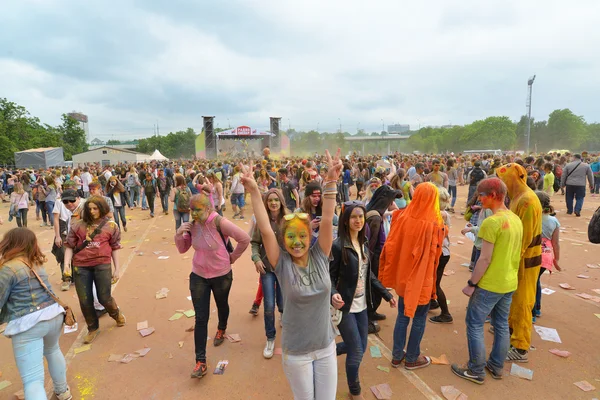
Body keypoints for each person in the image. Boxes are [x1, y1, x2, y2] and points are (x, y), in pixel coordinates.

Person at [242, 149, 342, 400]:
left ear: (310, 237)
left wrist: (330, 181)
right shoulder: (281, 263)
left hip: (326, 347)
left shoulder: (321, 254)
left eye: (302, 236)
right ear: (283, 239)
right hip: (297, 352)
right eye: (290, 236)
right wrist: (255, 190)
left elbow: (328, 218)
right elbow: (265, 229)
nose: (297, 242)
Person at [451, 178, 523, 384]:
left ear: (492, 195)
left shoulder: (491, 222)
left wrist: (472, 283)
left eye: (481, 195)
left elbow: (484, 258)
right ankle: (496, 365)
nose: (478, 199)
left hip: (490, 284)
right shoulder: (515, 219)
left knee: (473, 323)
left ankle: (475, 369)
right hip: (509, 282)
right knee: (500, 324)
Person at [174, 193, 250, 379]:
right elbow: (183, 249)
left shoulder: (219, 222)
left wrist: (232, 258)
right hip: (198, 275)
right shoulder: (192, 226)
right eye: (191, 210)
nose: (193, 214)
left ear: (208, 209)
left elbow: (244, 239)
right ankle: (201, 362)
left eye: (197, 210)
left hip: (221, 275)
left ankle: (221, 328)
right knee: (201, 318)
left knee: (222, 304)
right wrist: (179, 233)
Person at [330, 201, 396, 399]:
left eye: (361, 216)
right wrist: (333, 293)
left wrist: (386, 294)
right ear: (346, 220)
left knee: (360, 346)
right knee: (357, 351)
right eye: (353, 217)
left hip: (362, 305)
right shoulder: (338, 245)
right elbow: (329, 276)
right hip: (345, 306)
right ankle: (355, 391)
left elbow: (369, 275)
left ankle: (328, 351)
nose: (358, 220)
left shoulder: (364, 243)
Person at [0, 228, 73, 400]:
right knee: (53, 350)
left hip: (28, 323)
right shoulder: (36, 263)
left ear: (9, 243)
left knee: (32, 379)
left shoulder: (8, 268)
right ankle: (63, 392)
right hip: (53, 315)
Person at [379, 183, 445, 370]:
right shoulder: (433, 224)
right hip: (421, 278)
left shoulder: (402, 216)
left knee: (402, 315)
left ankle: (397, 355)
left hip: (403, 275)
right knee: (418, 318)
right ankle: (412, 357)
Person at [64, 196, 126, 344]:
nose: (92, 211)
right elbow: (69, 246)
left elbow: (115, 247)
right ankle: (92, 328)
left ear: (102, 208)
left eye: (95, 208)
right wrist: (66, 265)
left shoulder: (111, 226)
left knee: (104, 297)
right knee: (85, 300)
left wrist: (117, 269)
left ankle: (115, 313)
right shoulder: (77, 225)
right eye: (89, 208)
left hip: (102, 264)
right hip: (81, 265)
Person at [496, 163, 542, 363]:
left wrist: (513, 258)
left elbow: (526, 236)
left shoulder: (527, 201)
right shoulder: (517, 197)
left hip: (525, 259)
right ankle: (513, 330)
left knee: (523, 301)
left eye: (502, 179)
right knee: (515, 298)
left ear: (512, 179)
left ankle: (521, 347)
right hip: (517, 257)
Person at [250, 189, 287, 359]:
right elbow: (255, 243)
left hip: (284, 269)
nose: (273, 203)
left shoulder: (287, 220)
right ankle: (270, 338)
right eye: (270, 200)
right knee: (269, 305)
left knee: (283, 304)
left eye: (276, 200)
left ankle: (287, 331)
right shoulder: (262, 221)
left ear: (281, 202)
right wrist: (256, 258)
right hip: (266, 269)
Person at [533, 191, 562, 320]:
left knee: (530, 283)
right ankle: (537, 308)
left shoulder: (532, 218)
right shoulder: (554, 221)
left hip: (533, 254)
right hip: (546, 256)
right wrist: (556, 259)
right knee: (536, 281)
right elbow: (555, 243)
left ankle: (532, 311)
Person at [429, 187, 453, 324]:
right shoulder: (444, 214)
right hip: (444, 251)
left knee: (436, 284)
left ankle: (446, 313)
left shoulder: (439, 214)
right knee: (433, 280)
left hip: (440, 252)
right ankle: (431, 301)